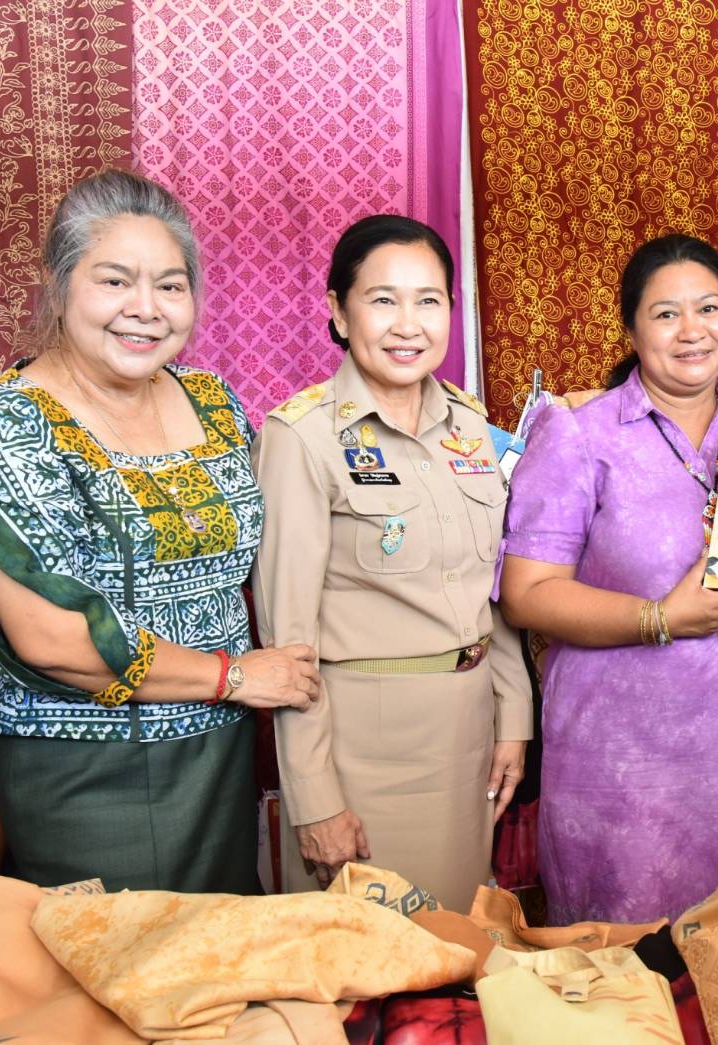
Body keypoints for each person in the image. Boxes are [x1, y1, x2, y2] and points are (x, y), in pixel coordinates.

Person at [0, 169, 320, 893]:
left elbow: (282, 542)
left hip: (218, 751)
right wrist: (232, 677)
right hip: (88, 765)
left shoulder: (214, 401)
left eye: (170, 285)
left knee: (222, 949)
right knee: (118, 957)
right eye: (114, 281)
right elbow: (49, 638)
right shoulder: (11, 420)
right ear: (59, 285)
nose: (146, 309)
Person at [498, 234, 718, 924]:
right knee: (616, 962)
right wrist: (660, 618)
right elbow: (525, 594)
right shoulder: (580, 435)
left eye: (709, 308)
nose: (692, 330)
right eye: (666, 314)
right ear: (631, 330)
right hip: (613, 763)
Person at [251, 215, 532, 910]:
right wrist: (314, 798)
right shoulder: (302, 436)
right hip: (366, 752)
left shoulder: (469, 424)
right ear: (339, 312)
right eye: (383, 300)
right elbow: (288, 639)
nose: (408, 324)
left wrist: (515, 716)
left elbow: (489, 587)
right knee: (367, 954)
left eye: (428, 300)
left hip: (470, 738)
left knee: (459, 946)